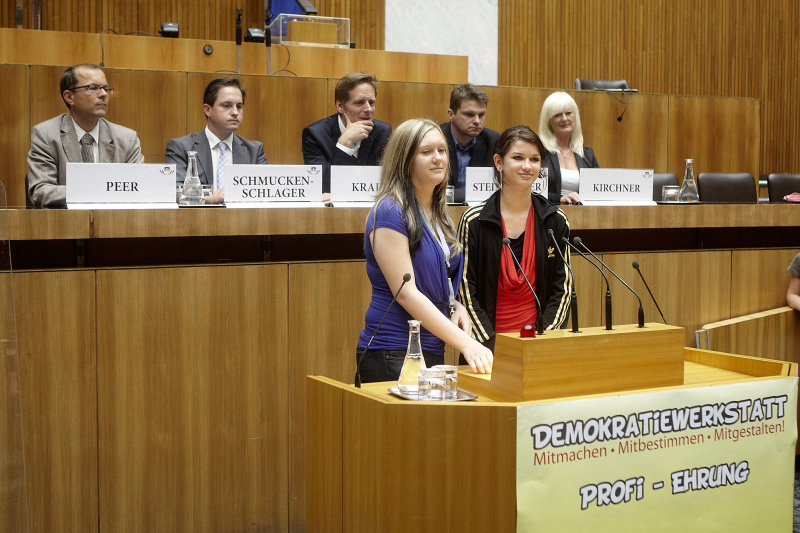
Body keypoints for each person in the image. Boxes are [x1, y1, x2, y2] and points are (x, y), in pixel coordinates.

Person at [355, 118, 493, 383]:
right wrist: (466, 343)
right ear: (404, 160)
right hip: (391, 351)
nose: (438, 158)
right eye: (426, 152)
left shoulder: (438, 214)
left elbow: (436, 283)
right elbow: (406, 293)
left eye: (442, 150)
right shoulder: (390, 211)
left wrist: (454, 305)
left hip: (430, 348)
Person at [458, 125, 573, 352]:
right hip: (484, 349)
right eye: (518, 158)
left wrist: (544, 339)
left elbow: (563, 290)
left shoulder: (555, 220)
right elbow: (464, 290)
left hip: (539, 346)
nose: (527, 166)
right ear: (499, 162)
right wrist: (488, 346)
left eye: (534, 159)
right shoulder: (474, 221)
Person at [26, 63, 144, 208]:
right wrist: (97, 190)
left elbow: (139, 188)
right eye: (92, 88)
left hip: (114, 225)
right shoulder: (46, 134)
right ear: (69, 97)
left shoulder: (127, 139)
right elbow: (40, 191)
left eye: (105, 88)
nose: (103, 94)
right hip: (66, 225)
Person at [165, 77, 266, 204]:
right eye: (226, 105)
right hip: (198, 221)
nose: (235, 112)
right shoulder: (181, 147)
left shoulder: (254, 151)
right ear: (208, 110)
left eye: (239, 106)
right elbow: (174, 193)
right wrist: (210, 199)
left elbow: (263, 194)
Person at [302, 72, 392, 204]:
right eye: (359, 102)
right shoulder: (315, 134)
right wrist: (344, 144)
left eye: (371, 102)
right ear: (340, 106)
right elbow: (322, 185)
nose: (368, 109)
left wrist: (344, 193)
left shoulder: (383, 132)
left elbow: (388, 181)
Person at [439, 84, 500, 203]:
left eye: (481, 115)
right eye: (469, 114)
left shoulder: (493, 140)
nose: (477, 121)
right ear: (451, 114)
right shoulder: (436, 139)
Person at [538, 91, 599, 205]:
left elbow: (598, 189)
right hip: (550, 215)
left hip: (584, 216)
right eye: (557, 115)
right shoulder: (538, 153)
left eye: (568, 113)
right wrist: (560, 198)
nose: (564, 118)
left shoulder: (588, 155)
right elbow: (534, 192)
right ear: (548, 121)